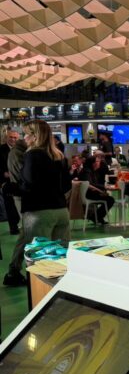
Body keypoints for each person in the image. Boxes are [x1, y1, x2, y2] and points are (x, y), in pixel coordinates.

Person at [2, 121, 71, 283]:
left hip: (39, 212)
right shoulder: (59, 155)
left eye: (26, 134)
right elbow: (66, 185)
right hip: (61, 211)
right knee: (60, 256)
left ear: (35, 136)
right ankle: (59, 290)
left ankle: (40, 293)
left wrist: (7, 187)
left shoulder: (32, 155)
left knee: (40, 260)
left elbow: (28, 186)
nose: (24, 138)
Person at [3, 138, 28, 286]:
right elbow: (24, 175)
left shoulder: (19, 152)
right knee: (26, 232)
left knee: (26, 232)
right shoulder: (18, 153)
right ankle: (13, 271)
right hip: (23, 196)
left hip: (23, 195)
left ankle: (14, 271)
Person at [79, 156, 115, 224]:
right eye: (97, 161)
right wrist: (103, 188)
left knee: (109, 198)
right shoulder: (87, 171)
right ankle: (96, 217)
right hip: (88, 195)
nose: (99, 163)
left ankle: (97, 217)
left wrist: (103, 189)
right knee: (110, 200)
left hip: (91, 193)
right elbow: (89, 184)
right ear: (92, 163)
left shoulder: (92, 171)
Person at [0, 129, 21, 234]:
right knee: (10, 206)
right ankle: (13, 228)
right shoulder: (1, 149)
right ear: (6, 138)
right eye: (11, 137)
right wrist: (3, 175)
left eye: (15, 137)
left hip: (20, 182)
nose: (13, 139)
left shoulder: (22, 149)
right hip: (7, 183)